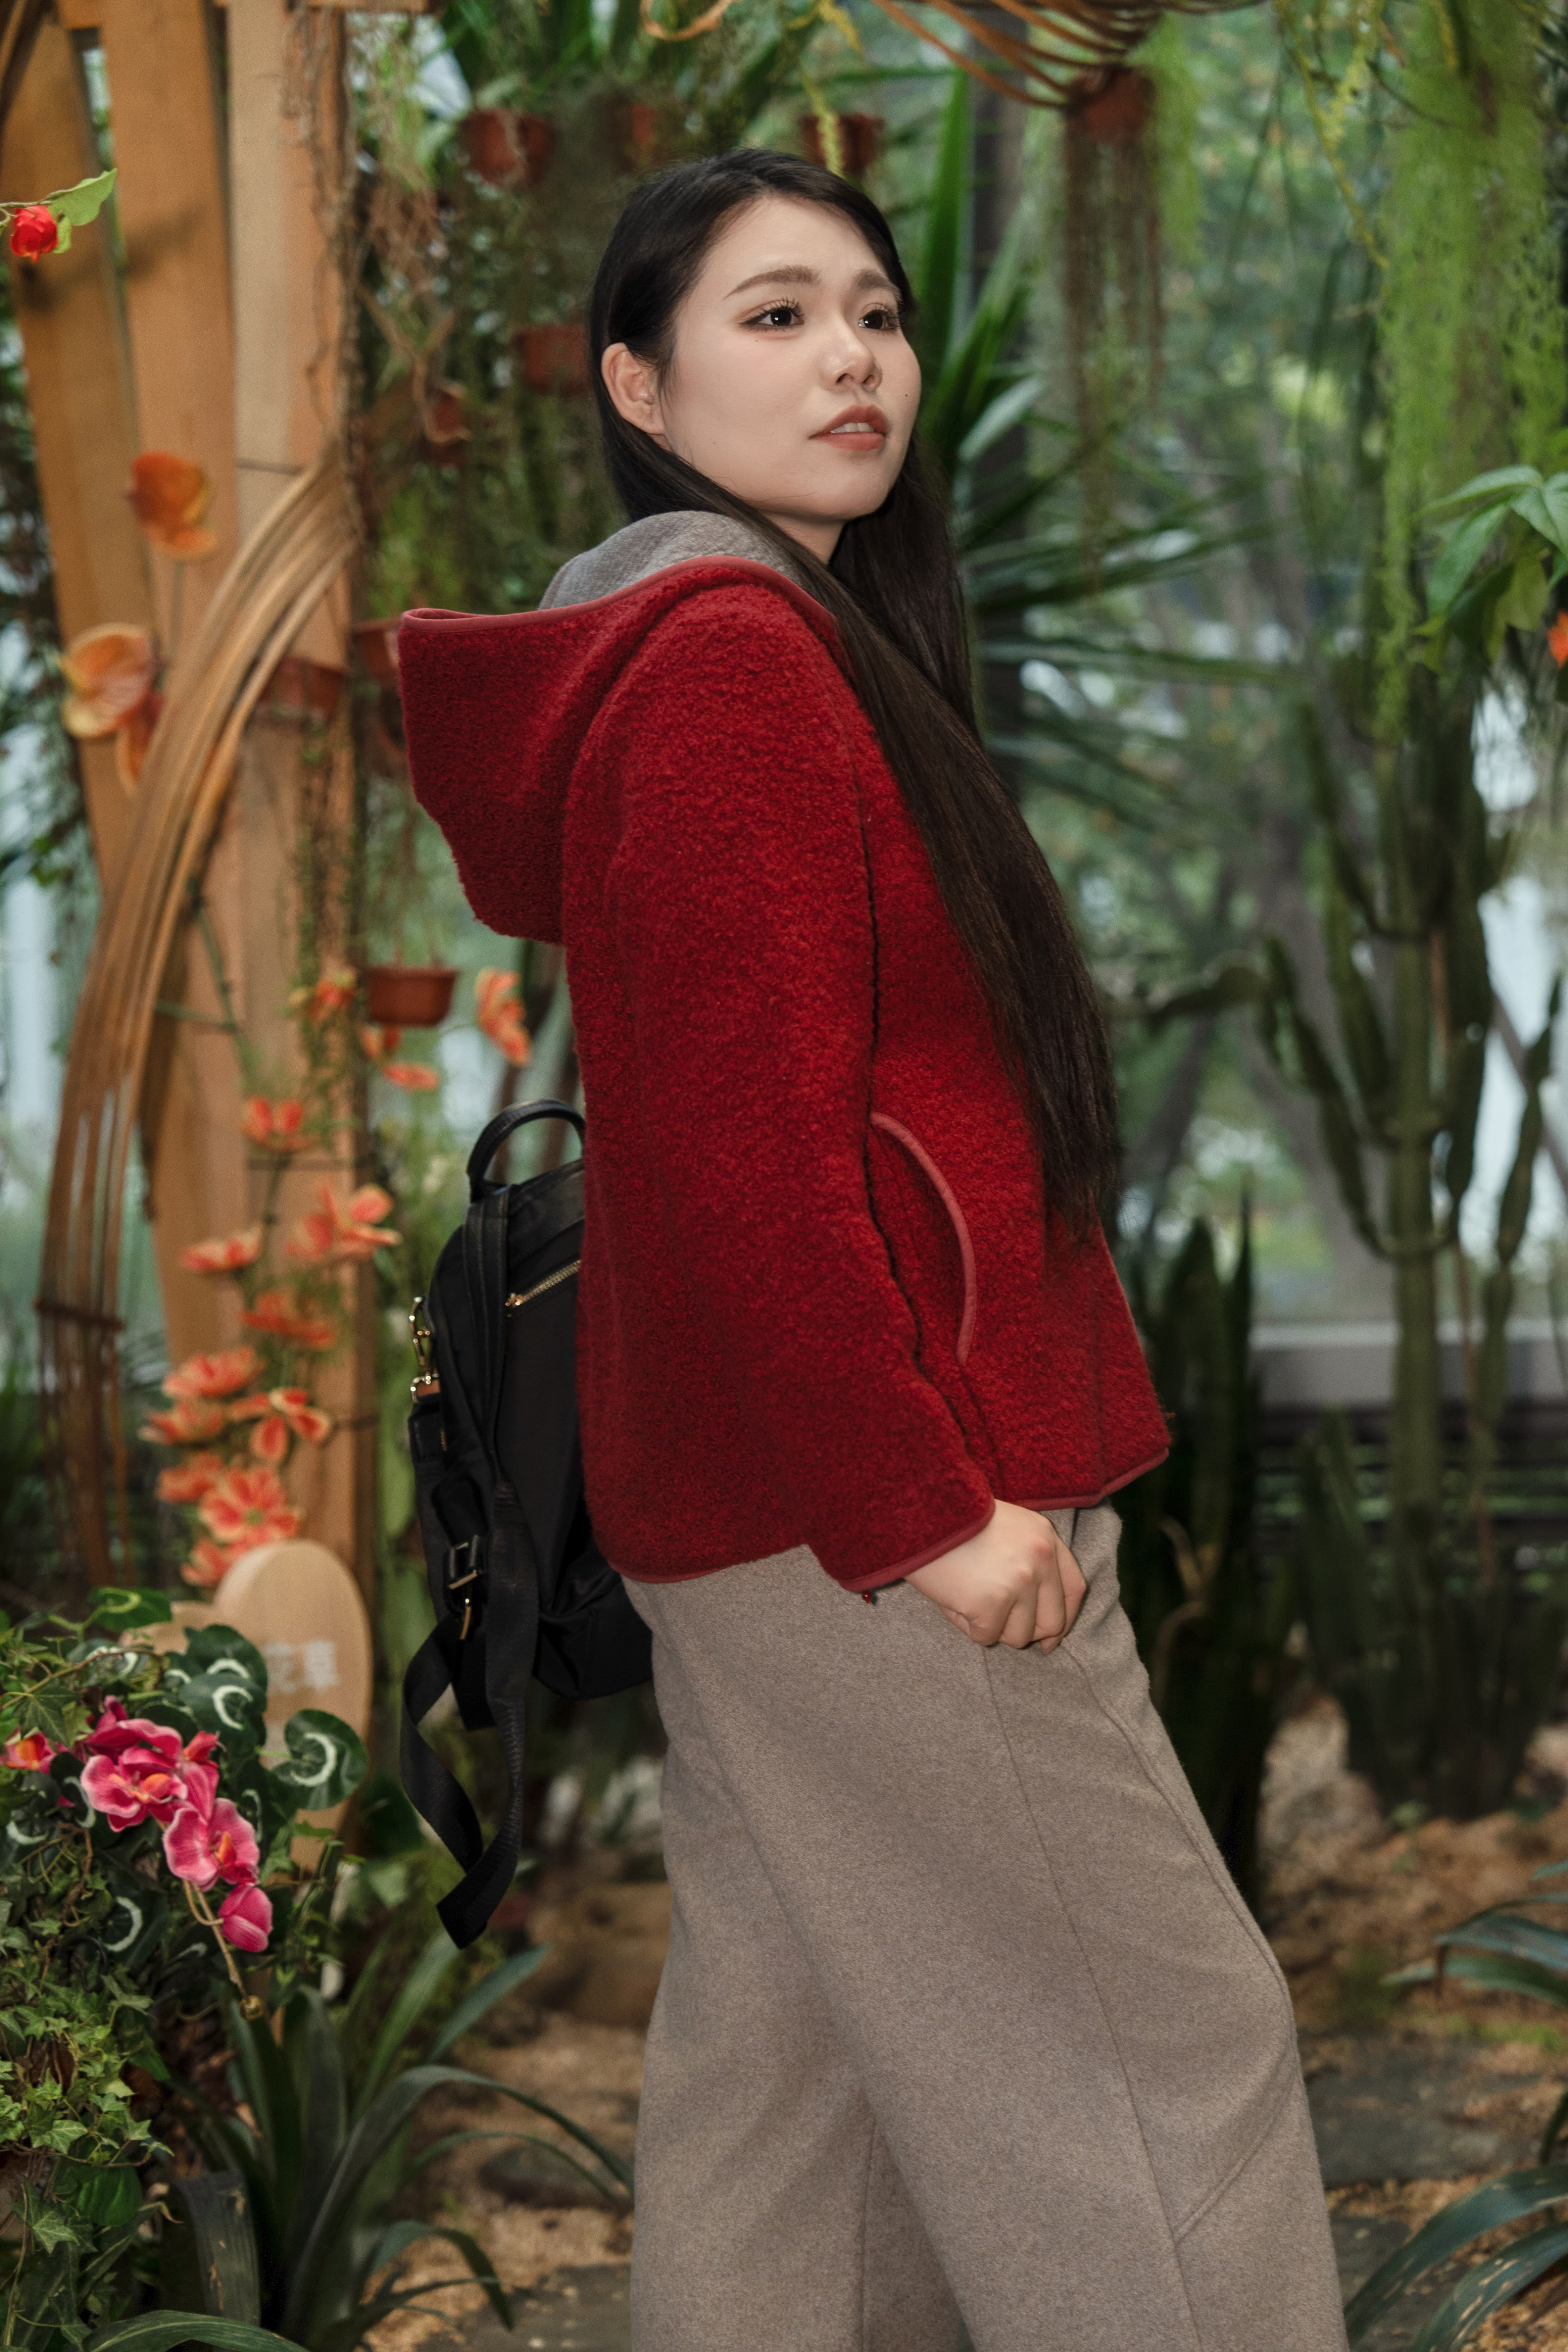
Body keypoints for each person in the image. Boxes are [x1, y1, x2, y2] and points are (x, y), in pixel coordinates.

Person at [397, 149, 1346, 2352]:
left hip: (769, 1514)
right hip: (885, 1511)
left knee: (797, 2096)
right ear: (639, 386)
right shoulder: (731, 666)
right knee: (1164, 2064)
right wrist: (921, 1509)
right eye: (777, 315)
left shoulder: (767, 649)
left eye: (876, 312)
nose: (854, 358)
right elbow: (739, 1162)